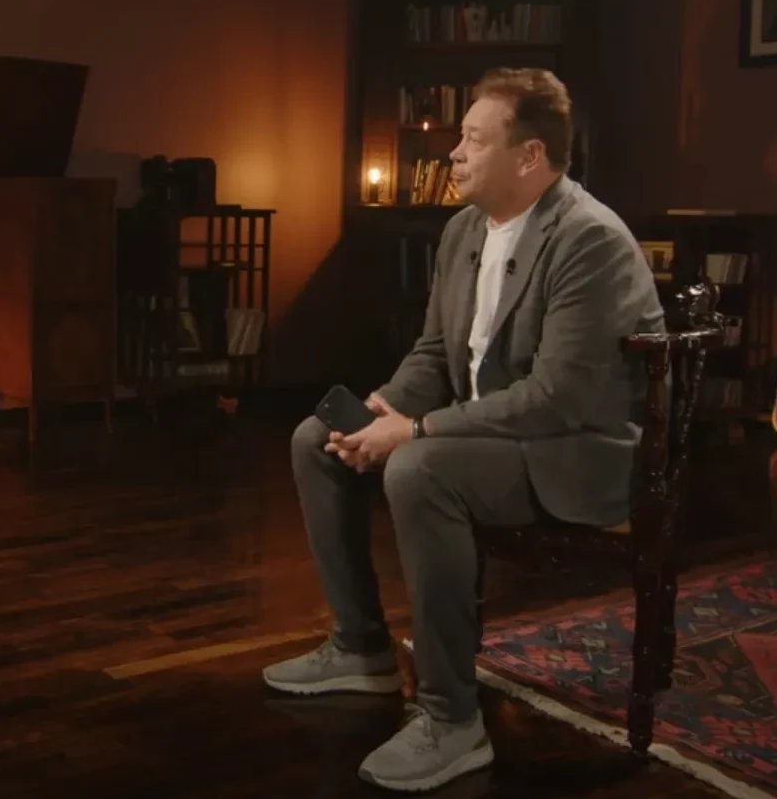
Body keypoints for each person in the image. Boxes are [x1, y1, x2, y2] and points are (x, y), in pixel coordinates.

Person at [264, 68, 664, 793]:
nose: (454, 153)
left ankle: (452, 720)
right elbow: (433, 355)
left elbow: (555, 400)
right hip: (493, 436)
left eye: (475, 140)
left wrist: (416, 431)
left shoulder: (590, 241)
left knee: (421, 469)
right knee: (315, 438)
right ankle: (360, 648)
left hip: (576, 453)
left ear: (530, 156)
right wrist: (385, 408)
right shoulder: (463, 230)